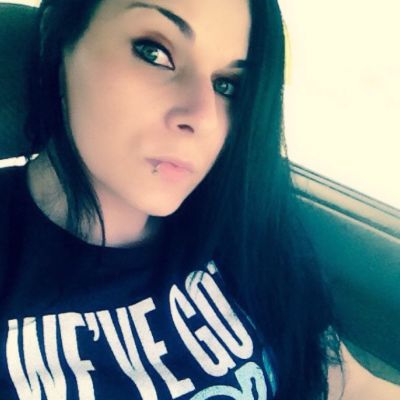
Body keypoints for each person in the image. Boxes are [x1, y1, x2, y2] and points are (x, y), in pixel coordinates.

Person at [1, 0, 399, 399]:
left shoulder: (244, 223)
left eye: (227, 85)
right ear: (58, 40)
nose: (205, 117)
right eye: (155, 52)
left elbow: (347, 385)